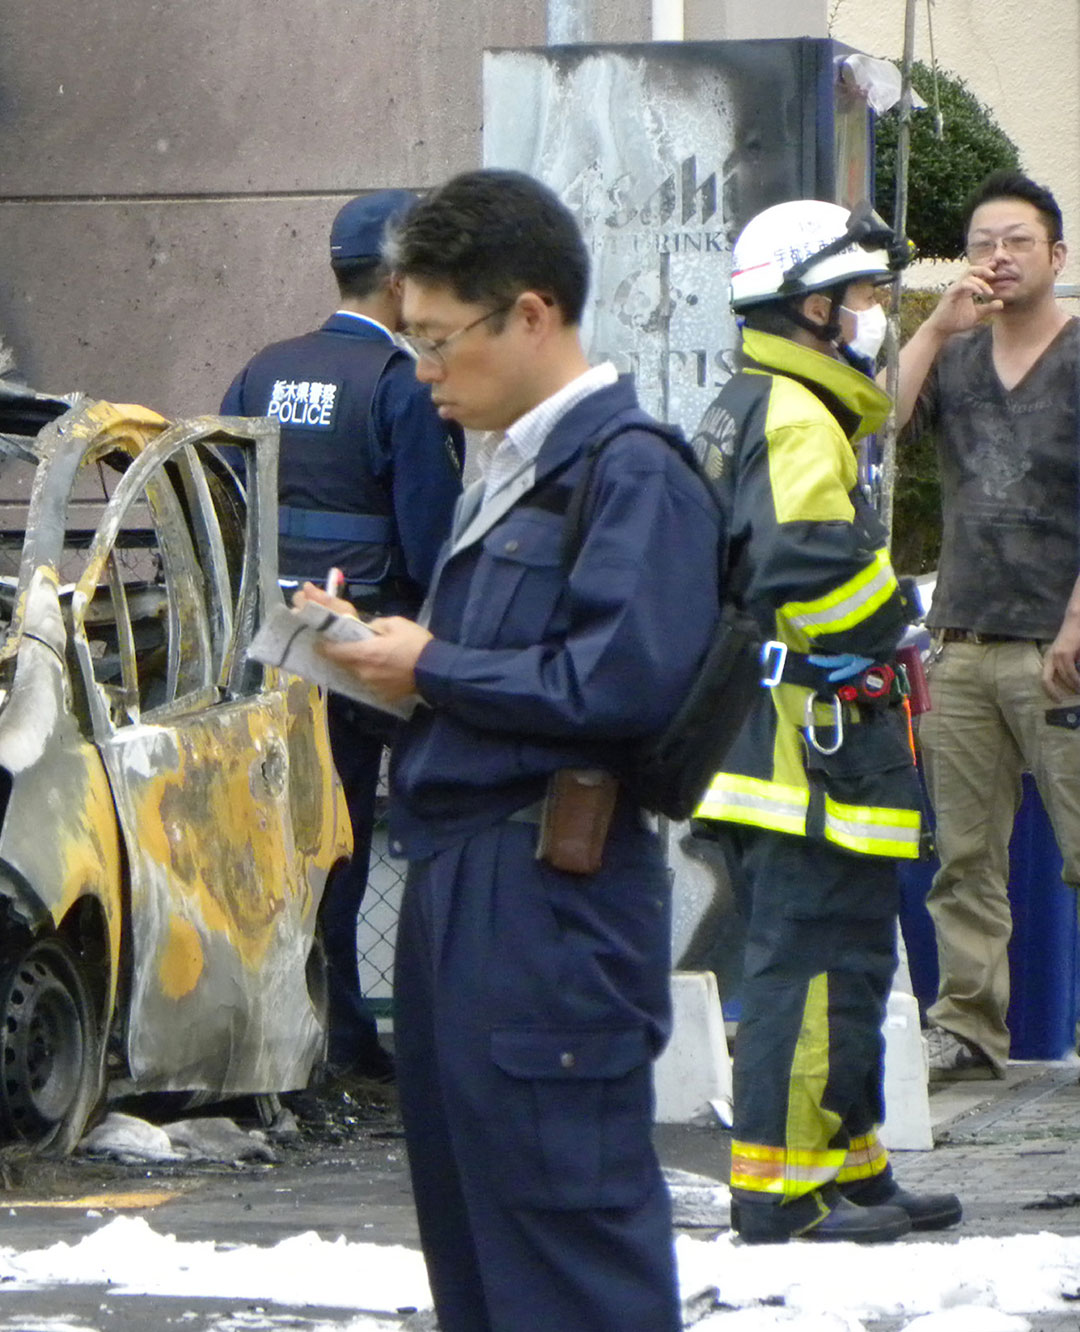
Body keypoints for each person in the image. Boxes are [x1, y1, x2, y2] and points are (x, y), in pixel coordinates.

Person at [308, 168, 716, 1332]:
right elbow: (507, 677)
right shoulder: (508, 468)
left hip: (546, 888)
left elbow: (619, 684)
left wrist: (426, 665)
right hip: (466, 877)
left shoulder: (627, 470)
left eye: (438, 342)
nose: (424, 375)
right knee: (476, 1242)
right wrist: (368, 653)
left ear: (529, 313)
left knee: (561, 1243)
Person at [688, 198, 960, 1243]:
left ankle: (847, 1164)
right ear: (809, 308)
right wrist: (895, 620)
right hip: (804, 744)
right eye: (858, 297)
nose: (873, 315)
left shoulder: (755, 400)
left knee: (848, 959)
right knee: (806, 967)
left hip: (782, 738)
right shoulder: (794, 414)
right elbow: (804, 562)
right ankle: (777, 1195)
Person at [221, 188, 462, 1080]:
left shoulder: (265, 368)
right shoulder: (399, 387)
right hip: (358, 657)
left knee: (271, 841)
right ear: (399, 280)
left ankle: (285, 1023)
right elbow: (435, 539)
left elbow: (223, 498)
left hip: (262, 646)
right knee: (343, 840)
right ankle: (342, 1031)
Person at [894, 170, 1080, 1084]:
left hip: (1059, 643)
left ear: (1057, 254)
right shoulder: (957, 357)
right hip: (961, 637)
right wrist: (934, 325)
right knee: (963, 855)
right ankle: (967, 1026)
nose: (997, 259)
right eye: (980, 244)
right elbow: (875, 424)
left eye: (1015, 241)